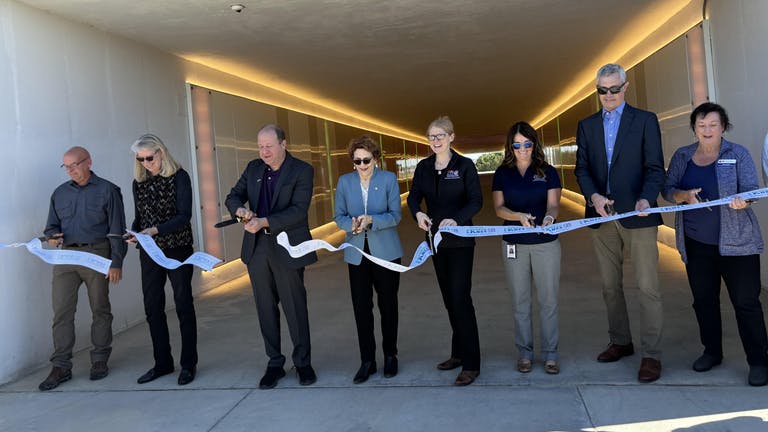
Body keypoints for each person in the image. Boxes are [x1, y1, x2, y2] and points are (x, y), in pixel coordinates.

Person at [663, 102, 768, 386]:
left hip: (738, 245)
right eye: (701, 125)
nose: (707, 130)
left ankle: (758, 361)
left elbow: (751, 188)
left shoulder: (737, 153)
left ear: (723, 127)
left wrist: (743, 199)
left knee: (746, 303)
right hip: (697, 244)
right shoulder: (683, 156)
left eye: (713, 125)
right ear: (694, 128)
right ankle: (712, 352)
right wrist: (682, 195)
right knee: (704, 301)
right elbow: (668, 189)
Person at [574, 63, 666, 383]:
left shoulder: (645, 121)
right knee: (610, 287)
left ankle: (651, 354)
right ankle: (621, 342)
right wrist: (594, 197)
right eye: (602, 90)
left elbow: (656, 168)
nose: (609, 95)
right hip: (602, 217)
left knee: (647, 287)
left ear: (625, 87)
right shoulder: (585, 126)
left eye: (614, 89)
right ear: (597, 91)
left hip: (638, 215)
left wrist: (646, 198)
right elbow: (581, 169)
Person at [225, 124, 318, 389]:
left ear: (283, 144)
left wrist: (265, 220)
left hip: (288, 247)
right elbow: (233, 196)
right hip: (257, 249)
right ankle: (274, 363)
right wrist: (240, 211)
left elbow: (299, 211)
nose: (264, 151)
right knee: (265, 307)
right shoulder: (254, 168)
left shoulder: (302, 170)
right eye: (260, 146)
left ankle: (303, 363)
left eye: (269, 145)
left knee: (294, 307)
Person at [39, 146, 127, 391]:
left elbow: (117, 229)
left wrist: (117, 262)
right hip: (66, 256)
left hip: (97, 254)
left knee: (100, 308)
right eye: (66, 167)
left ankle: (99, 359)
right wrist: (52, 237)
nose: (70, 171)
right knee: (62, 312)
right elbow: (51, 227)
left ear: (88, 161)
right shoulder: (59, 194)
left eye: (74, 165)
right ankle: (61, 366)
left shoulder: (108, 190)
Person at [407, 115, 483, 386]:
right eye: (431, 136)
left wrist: (457, 219)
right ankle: (458, 353)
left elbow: (476, 200)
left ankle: (472, 363)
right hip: (435, 241)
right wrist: (417, 213)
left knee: (461, 297)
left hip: (461, 241)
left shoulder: (464, 165)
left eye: (440, 135)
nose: (435, 141)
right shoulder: (424, 167)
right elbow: (414, 196)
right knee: (449, 298)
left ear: (452, 137)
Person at [128, 134, 198, 386]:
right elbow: (140, 218)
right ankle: (162, 363)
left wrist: (156, 229)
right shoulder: (139, 182)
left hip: (177, 248)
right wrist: (134, 233)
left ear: (161, 152)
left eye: (150, 157)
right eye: (140, 159)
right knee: (152, 306)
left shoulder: (180, 177)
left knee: (182, 304)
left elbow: (184, 215)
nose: (146, 163)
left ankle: (188, 364)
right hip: (149, 251)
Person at [492, 121, 562, 374]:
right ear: (511, 146)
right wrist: (517, 216)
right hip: (514, 244)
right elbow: (499, 208)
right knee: (520, 300)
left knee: (548, 300)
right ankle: (524, 352)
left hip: (546, 243)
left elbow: (553, 204)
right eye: (517, 145)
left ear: (535, 144)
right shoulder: (503, 173)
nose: (523, 149)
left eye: (527, 144)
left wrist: (549, 219)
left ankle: (551, 354)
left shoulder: (548, 171)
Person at [334, 135, 403, 384]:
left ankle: (391, 356)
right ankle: (367, 361)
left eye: (366, 160)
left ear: (376, 158)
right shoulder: (344, 182)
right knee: (362, 308)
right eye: (357, 161)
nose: (362, 166)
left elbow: (396, 216)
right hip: (356, 254)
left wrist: (372, 220)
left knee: (388, 305)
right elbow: (338, 215)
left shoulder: (388, 179)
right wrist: (350, 225)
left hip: (386, 252)